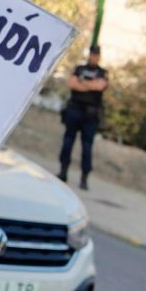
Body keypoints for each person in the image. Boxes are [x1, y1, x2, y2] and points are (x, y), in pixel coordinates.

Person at [57, 42, 108, 189]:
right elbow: (72, 84)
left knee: (87, 147)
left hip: (90, 115)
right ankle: (63, 171)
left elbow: (100, 86)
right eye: (92, 54)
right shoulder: (79, 68)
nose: (94, 57)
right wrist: (90, 85)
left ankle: (84, 178)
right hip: (75, 110)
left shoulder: (102, 72)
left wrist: (82, 82)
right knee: (68, 142)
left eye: (96, 54)